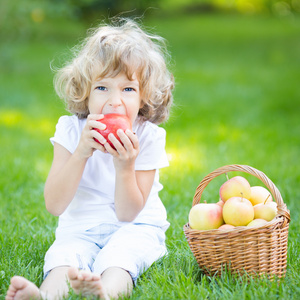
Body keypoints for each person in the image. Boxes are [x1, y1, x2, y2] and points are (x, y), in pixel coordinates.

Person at [5, 18, 174, 300]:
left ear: (144, 98)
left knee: (121, 258)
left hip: (135, 227)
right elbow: (55, 204)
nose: (114, 101)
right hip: (80, 228)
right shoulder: (71, 131)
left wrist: (125, 167)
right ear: (85, 92)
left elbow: (128, 214)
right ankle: (44, 297)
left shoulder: (148, 137)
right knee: (63, 258)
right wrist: (81, 152)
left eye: (128, 89)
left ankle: (105, 293)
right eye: (102, 88)